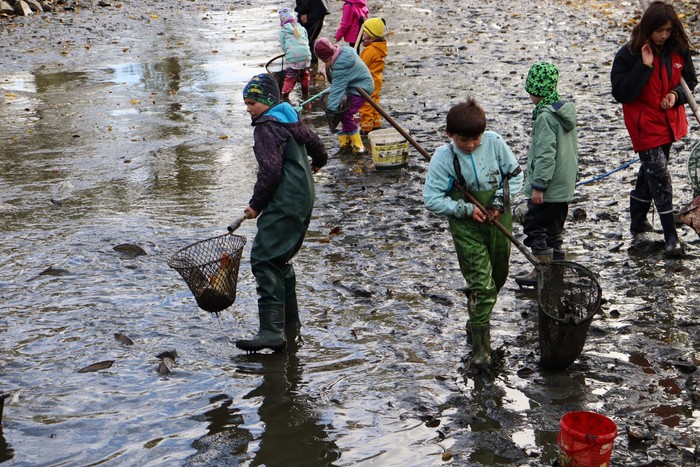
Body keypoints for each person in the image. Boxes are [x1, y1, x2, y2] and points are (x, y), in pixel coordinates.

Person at [423, 98, 523, 367]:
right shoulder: (444, 158)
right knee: (481, 284)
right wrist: (465, 209)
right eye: (462, 140)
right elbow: (432, 199)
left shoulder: (495, 143)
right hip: (466, 226)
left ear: (483, 132)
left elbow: (515, 176)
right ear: (449, 134)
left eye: (475, 139)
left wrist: (498, 203)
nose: (469, 146)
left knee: (498, 276)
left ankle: (476, 319)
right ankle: (481, 353)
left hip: (499, 220)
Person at [235, 73, 328, 352]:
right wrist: (318, 162)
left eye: (252, 103)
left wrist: (256, 205)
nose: (248, 109)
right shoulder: (288, 117)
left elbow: (271, 171)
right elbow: (315, 143)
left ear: (266, 101)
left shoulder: (266, 127)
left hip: (285, 200)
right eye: (246, 103)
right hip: (304, 196)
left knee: (264, 259)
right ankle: (289, 325)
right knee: (281, 260)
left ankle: (270, 331)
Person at [611, 0, 697, 258]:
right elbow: (621, 92)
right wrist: (644, 66)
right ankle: (671, 236)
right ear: (648, 28)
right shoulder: (629, 54)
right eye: (659, 30)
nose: (664, 36)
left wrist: (675, 96)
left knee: (650, 171)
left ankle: (638, 221)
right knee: (660, 175)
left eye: (668, 30)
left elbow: (690, 81)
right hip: (644, 125)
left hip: (669, 122)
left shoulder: (678, 50)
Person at [514, 62, 579, 288]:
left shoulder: (545, 117)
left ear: (535, 90)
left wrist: (539, 185)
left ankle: (542, 270)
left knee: (534, 225)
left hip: (548, 187)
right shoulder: (563, 112)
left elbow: (545, 154)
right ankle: (557, 267)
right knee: (554, 227)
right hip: (563, 185)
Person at [313, 37, 374, 155]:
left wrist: (331, 110)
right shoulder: (342, 51)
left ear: (327, 58)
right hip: (354, 86)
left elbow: (337, 90)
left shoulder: (341, 67)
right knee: (344, 115)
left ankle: (358, 146)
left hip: (361, 89)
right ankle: (345, 145)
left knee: (346, 115)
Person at [358, 17, 388, 136]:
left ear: (371, 36)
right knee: (374, 102)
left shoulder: (370, 51)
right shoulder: (379, 47)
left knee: (366, 104)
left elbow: (362, 66)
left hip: (368, 82)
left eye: (364, 33)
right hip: (376, 80)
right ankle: (376, 123)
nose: (362, 35)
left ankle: (366, 128)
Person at [278, 7, 312, 101]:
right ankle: (306, 95)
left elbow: (284, 47)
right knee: (305, 75)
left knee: (290, 78)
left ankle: (283, 97)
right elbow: (307, 42)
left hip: (293, 59)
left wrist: (288, 54)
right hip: (306, 57)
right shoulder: (302, 28)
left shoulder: (283, 31)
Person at [294, 0, 331, 70]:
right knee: (311, 40)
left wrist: (303, 11)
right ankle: (313, 68)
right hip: (318, 9)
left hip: (311, 11)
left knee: (306, 41)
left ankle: (310, 68)